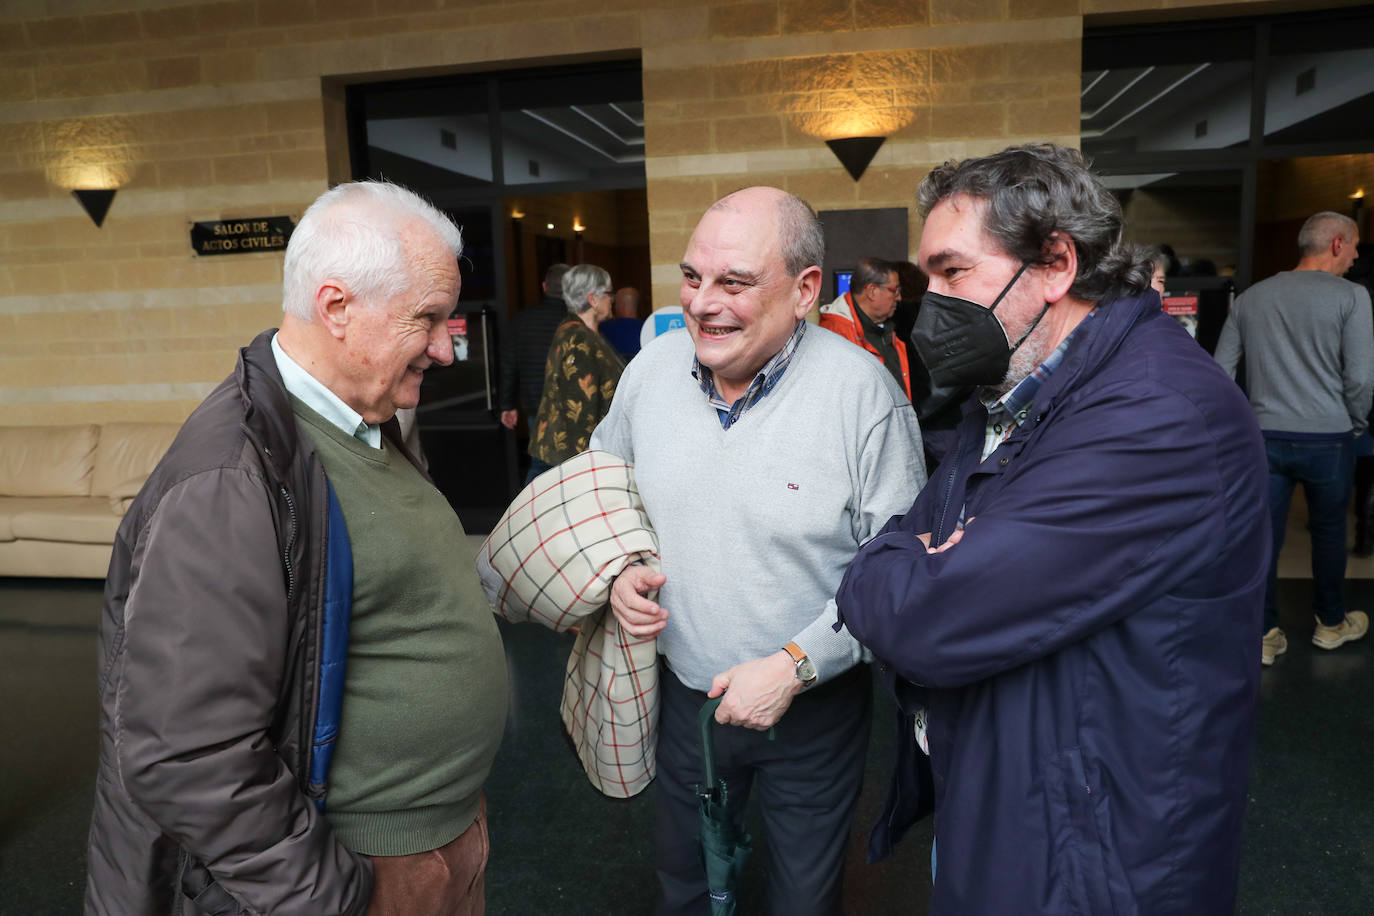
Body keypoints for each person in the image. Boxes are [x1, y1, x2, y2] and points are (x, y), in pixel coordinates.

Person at [835, 144, 1270, 914]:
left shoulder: (1159, 412)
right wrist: (913, 555)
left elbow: (925, 615)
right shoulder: (1012, 390)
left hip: (1096, 852)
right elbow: (916, 544)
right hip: (1010, 802)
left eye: (951, 271)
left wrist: (901, 562)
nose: (926, 300)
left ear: (1057, 263)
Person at [84, 181, 509, 916]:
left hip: (439, 839)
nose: (445, 349)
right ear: (337, 308)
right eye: (428, 319)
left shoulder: (363, 419)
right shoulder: (230, 478)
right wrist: (332, 896)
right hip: (360, 872)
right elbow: (183, 752)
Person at [591, 186, 925, 915]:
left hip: (813, 710)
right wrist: (617, 570)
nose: (703, 304)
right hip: (683, 700)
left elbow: (898, 574)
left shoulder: (865, 397)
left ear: (806, 290)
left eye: (735, 282)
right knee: (684, 884)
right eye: (692, 277)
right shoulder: (649, 372)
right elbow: (603, 489)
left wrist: (795, 665)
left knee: (803, 897)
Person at [1214, 211, 1373, 663]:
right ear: (1337, 244)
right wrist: (1355, 423)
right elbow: (1361, 378)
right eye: (1356, 245)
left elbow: (1220, 372)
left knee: (1262, 536)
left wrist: (1242, 424)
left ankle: (1264, 633)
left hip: (1263, 437)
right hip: (1331, 436)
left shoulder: (1252, 298)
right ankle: (1330, 623)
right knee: (1328, 534)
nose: (1357, 255)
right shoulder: (1353, 297)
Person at [528, 263, 625, 477]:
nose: (612, 299)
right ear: (593, 299)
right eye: (609, 293)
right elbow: (579, 411)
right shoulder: (579, 339)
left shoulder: (576, 331)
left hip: (563, 456)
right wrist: (587, 471)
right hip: (570, 461)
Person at [498, 262, 571, 439]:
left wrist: (507, 405)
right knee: (574, 463)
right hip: (571, 403)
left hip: (535, 403)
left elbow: (508, 364)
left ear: (544, 287)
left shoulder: (522, 320)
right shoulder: (577, 322)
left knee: (540, 463)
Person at [600, 285, 645, 359]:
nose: (613, 307)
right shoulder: (648, 329)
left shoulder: (605, 329)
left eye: (615, 304)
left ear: (621, 305)